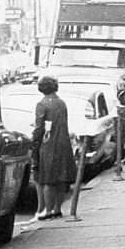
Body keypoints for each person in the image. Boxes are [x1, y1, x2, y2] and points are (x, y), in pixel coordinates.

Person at [31, 75, 76, 220]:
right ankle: (57, 208)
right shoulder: (61, 103)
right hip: (63, 142)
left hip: (48, 144)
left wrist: (35, 144)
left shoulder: (42, 105)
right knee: (61, 178)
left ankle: (48, 210)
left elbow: (39, 128)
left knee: (47, 179)